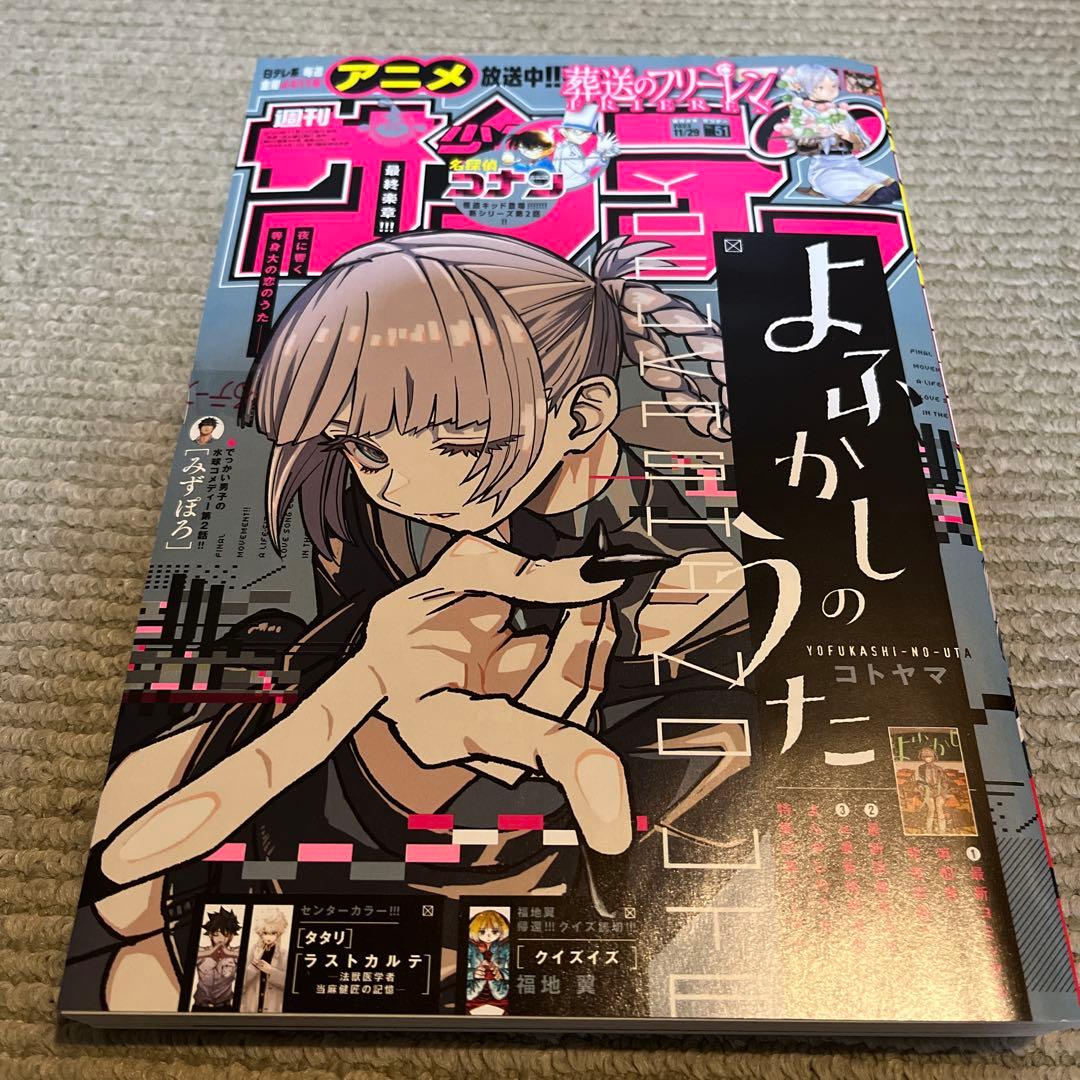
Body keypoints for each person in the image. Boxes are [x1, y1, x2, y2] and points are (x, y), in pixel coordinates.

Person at [80, 229, 760, 1012]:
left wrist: (517, 733)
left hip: (474, 834)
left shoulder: (678, 577)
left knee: (168, 951)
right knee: (134, 889)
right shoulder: (379, 515)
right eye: (365, 449)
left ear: (581, 416)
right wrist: (372, 677)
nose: (402, 485)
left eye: (461, 443)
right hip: (336, 759)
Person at [777, 65, 900, 206]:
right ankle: (820, 189)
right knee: (882, 195)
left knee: (896, 189)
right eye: (821, 87)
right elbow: (801, 146)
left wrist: (848, 136)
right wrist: (816, 135)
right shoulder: (803, 113)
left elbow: (862, 144)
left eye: (834, 86)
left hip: (852, 166)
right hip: (826, 170)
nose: (830, 90)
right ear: (808, 88)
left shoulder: (842, 114)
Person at [552, 103, 619, 189]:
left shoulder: (573, 146)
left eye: (588, 133)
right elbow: (582, 168)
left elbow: (588, 165)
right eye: (577, 132)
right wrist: (599, 150)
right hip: (572, 186)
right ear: (564, 132)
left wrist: (604, 156)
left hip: (578, 185)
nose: (584, 136)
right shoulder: (567, 149)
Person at [241, 907, 289, 1013]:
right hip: (249, 1010)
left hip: (274, 1011)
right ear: (260, 932)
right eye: (265, 933)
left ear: (279, 932)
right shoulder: (251, 951)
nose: (269, 937)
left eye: (273, 933)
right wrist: (254, 963)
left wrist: (271, 971)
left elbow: (291, 985)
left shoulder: (284, 955)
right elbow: (240, 984)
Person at [192, 907, 241, 1010]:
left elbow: (248, 956)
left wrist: (227, 953)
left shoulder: (235, 954)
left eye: (225, 935)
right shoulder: (202, 952)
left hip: (225, 1008)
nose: (221, 939)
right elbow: (190, 955)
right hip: (200, 1007)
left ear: (231, 936)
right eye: (216, 934)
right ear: (210, 935)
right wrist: (211, 952)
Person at [465, 909, 511, 1015]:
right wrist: (474, 973)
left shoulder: (506, 947)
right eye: (482, 932)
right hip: (473, 992)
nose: (488, 936)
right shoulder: (469, 946)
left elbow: (518, 970)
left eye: (494, 932)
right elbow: (457, 970)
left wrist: (500, 973)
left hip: (500, 992)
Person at [915, 745, 949, 834]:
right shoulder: (921, 768)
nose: (928, 759)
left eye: (929, 757)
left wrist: (942, 792)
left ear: (933, 757)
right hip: (927, 792)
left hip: (939, 792)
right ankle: (929, 831)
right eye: (926, 757)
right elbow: (920, 781)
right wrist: (922, 789)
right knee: (931, 809)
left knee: (939, 808)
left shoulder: (939, 769)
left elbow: (945, 781)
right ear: (923, 758)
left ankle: (942, 831)